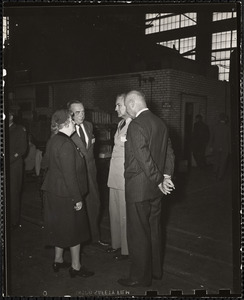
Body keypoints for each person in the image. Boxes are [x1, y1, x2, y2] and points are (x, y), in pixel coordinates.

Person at [118, 90, 175, 287]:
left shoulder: (136, 125)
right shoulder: (160, 123)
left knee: (138, 234)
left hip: (138, 189)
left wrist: (159, 178)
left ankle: (139, 277)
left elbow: (143, 157)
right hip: (155, 190)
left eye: (126, 105)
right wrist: (166, 176)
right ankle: (156, 271)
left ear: (133, 104)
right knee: (154, 229)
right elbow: (169, 153)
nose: (126, 110)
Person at [41, 109, 94, 278]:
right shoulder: (66, 144)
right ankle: (76, 267)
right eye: (72, 121)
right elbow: (70, 176)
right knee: (74, 230)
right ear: (66, 124)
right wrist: (77, 199)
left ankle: (58, 260)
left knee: (59, 227)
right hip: (66, 194)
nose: (74, 124)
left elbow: (44, 164)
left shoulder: (53, 141)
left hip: (52, 191)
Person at [67, 100, 108, 247]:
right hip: (75, 174)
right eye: (77, 112)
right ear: (70, 114)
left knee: (94, 204)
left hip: (90, 172)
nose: (82, 115)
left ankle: (95, 238)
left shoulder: (89, 126)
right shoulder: (66, 129)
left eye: (83, 111)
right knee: (77, 207)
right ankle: (78, 242)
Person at [107, 94, 132, 260]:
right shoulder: (120, 123)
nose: (116, 108)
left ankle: (127, 250)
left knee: (125, 215)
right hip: (114, 176)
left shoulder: (134, 125)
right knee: (114, 212)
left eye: (118, 105)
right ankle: (116, 244)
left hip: (124, 177)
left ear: (127, 106)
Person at [9, 110, 28, 230]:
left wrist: (8, 160)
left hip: (13, 166)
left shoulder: (19, 129)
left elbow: (22, 149)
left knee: (13, 194)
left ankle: (13, 222)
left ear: (10, 116)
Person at [210, 113, 231, 180]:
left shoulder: (215, 126)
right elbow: (229, 139)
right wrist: (230, 150)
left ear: (219, 119)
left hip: (216, 146)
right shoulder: (228, 128)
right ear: (226, 119)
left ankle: (214, 173)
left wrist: (210, 146)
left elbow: (211, 137)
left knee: (216, 161)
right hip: (225, 147)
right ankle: (219, 176)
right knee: (223, 162)